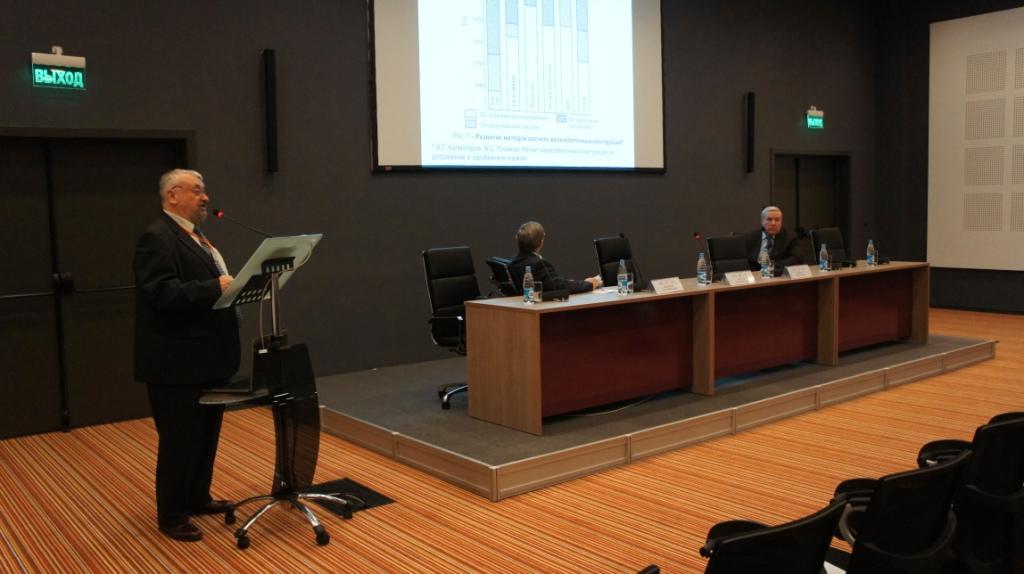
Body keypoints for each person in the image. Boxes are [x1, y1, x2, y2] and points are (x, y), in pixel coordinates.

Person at [133, 169, 240, 542]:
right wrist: (214, 286)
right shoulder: (157, 237)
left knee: (206, 434)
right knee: (180, 440)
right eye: (197, 191)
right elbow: (162, 294)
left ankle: (197, 496)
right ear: (173, 195)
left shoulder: (195, 236)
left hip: (207, 357)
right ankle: (172, 514)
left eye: (204, 190)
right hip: (175, 362)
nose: (205, 197)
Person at [508, 221, 603, 294]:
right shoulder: (538, 264)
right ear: (541, 241)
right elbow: (558, 286)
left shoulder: (514, 262)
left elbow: (552, 283)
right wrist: (588, 284)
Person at [744, 206, 807, 272]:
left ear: (781, 222)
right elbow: (746, 260)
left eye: (777, 220)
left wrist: (772, 266)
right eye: (769, 219)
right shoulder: (751, 237)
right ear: (762, 222)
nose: (773, 223)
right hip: (756, 275)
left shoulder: (790, 237)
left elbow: (797, 258)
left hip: (779, 273)